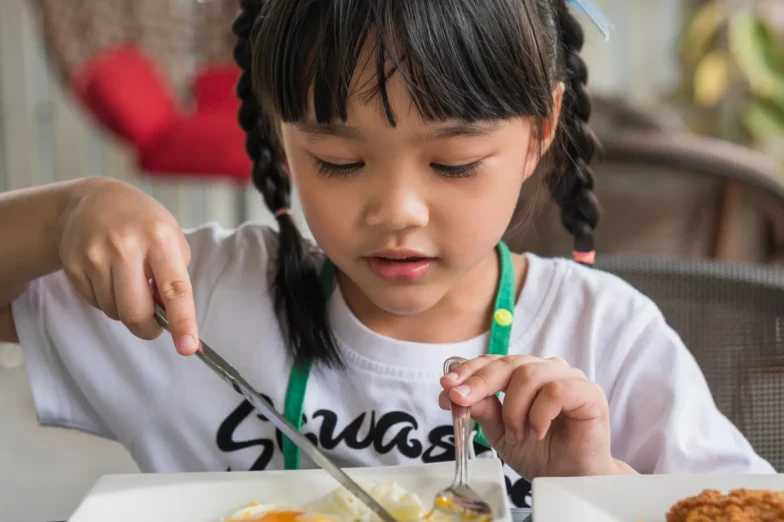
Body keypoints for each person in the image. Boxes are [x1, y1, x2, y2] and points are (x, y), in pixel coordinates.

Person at [0, 0, 773, 509]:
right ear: (279, 135)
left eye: (454, 163)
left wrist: (594, 488)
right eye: (338, 160)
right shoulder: (193, 301)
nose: (396, 211)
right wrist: (65, 214)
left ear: (540, 133)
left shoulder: (607, 338)